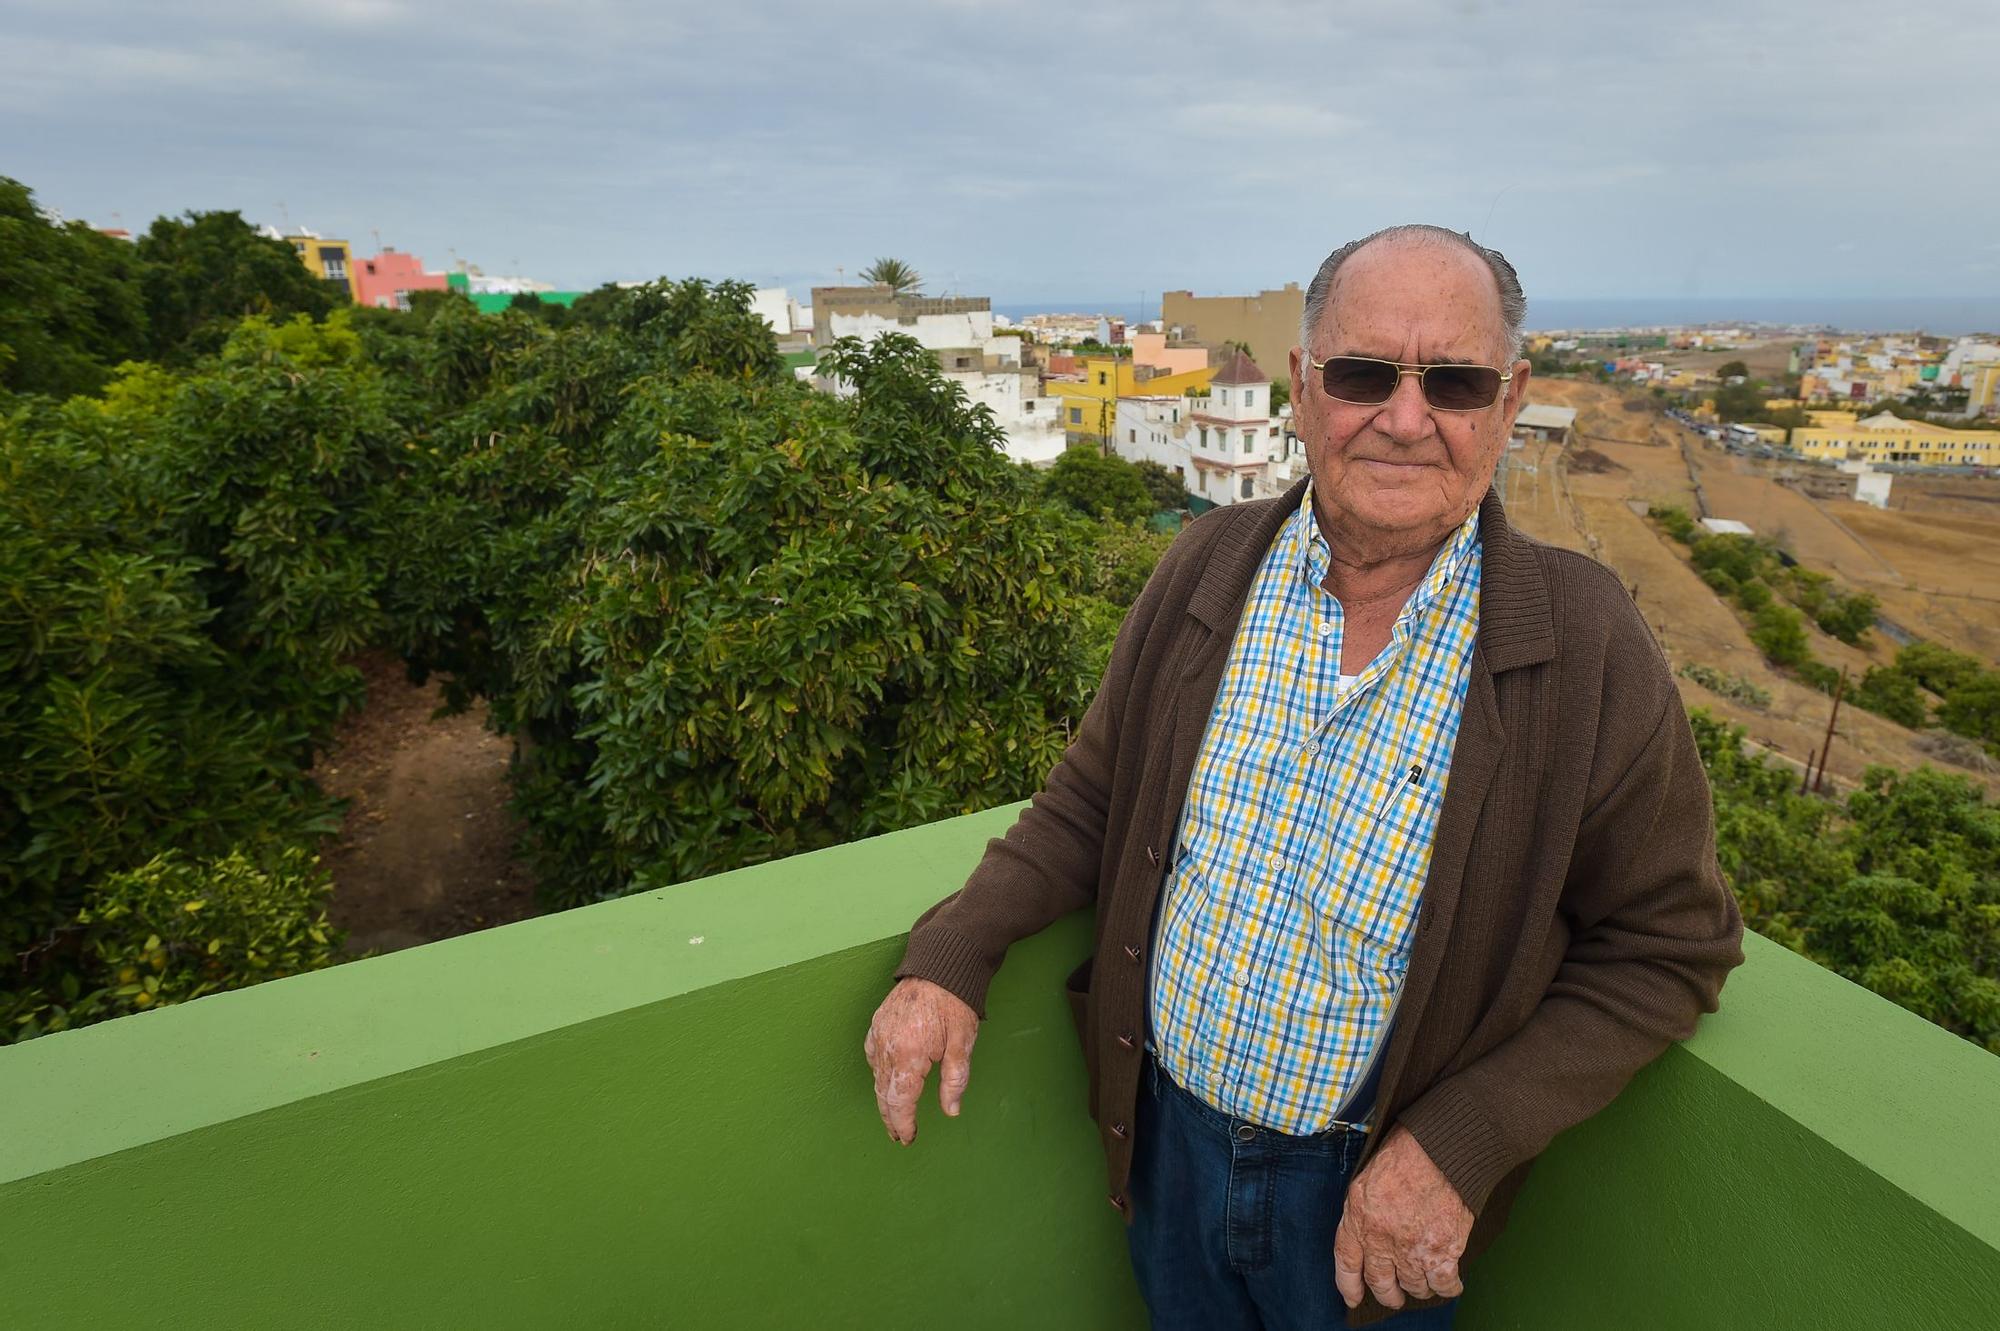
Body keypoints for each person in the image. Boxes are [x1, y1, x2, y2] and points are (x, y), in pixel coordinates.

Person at [864, 224, 1745, 1329]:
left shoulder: (1580, 641)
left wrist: (1459, 1141)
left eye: (1455, 382)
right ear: (1301, 385)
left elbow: (1667, 947)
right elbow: (1089, 800)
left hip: (1374, 1201)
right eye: (1363, 374)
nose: (1404, 418)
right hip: (1163, 1143)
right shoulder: (1207, 565)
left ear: (1508, 400)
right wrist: (955, 950)